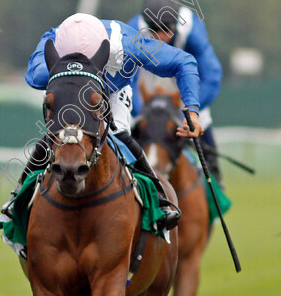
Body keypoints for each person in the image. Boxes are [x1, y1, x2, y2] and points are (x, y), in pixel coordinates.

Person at [16, 13, 205, 230]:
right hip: (68, 90)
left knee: (119, 134)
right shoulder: (53, 40)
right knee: (56, 135)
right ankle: (15, 201)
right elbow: (34, 76)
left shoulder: (129, 45)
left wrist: (192, 110)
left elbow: (184, 61)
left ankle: (160, 200)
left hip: (111, 90)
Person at [130, 0, 224, 183]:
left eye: (167, 29)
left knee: (202, 121)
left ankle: (215, 180)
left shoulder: (192, 31)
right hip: (147, 76)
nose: (161, 37)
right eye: (155, 29)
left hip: (184, 78)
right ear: (146, 25)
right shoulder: (134, 31)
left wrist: (189, 114)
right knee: (127, 124)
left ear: (176, 24)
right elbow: (127, 82)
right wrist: (142, 113)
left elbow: (212, 77)